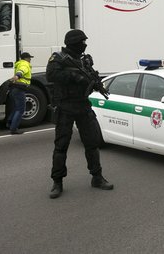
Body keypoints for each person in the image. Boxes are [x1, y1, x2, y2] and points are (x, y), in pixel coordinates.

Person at [46, 29, 112, 199]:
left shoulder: (85, 60)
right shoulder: (58, 58)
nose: (84, 45)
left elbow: (90, 75)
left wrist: (94, 83)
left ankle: (97, 177)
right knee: (61, 146)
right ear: (73, 43)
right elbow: (51, 75)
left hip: (83, 106)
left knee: (92, 143)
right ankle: (57, 182)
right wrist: (75, 77)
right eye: (82, 42)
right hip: (65, 107)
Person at [7, 52, 33, 135]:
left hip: (13, 89)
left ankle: (9, 123)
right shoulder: (24, 64)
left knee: (16, 107)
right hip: (19, 89)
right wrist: (17, 76)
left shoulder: (18, 64)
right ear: (26, 58)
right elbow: (21, 71)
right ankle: (13, 129)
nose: (30, 59)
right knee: (20, 109)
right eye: (29, 58)